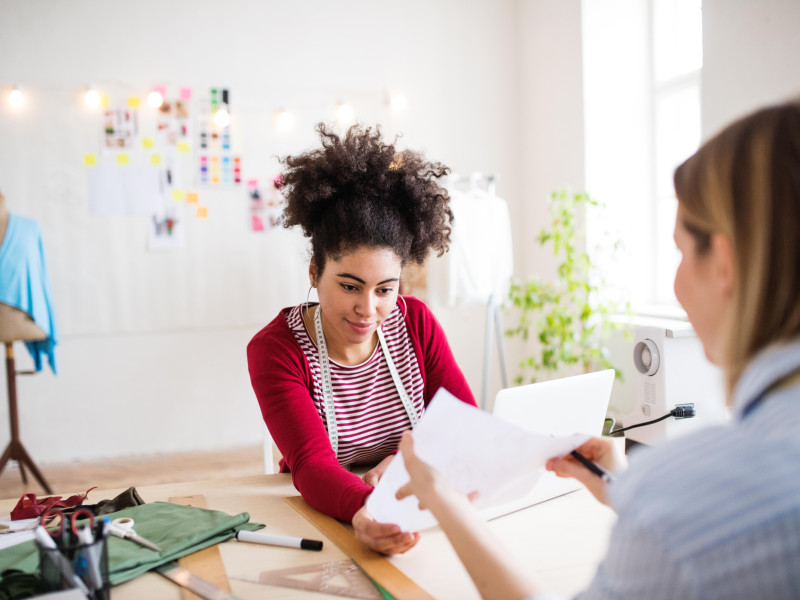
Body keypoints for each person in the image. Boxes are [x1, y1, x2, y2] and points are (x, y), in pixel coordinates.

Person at [396, 99, 800, 599]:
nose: (675, 284)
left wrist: (444, 499)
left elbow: (689, 531)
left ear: (724, 263)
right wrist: (624, 486)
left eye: (679, 251)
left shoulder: (696, 493)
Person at [247, 124, 477, 555]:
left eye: (385, 289)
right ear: (315, 273)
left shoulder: (417, 325)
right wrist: (370, 506)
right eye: (350, 286)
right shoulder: (277, 350)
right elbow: (312, 466)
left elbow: (463, 420)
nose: (368, 310)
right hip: (333, 507)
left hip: (414, 498)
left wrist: (410, 462)